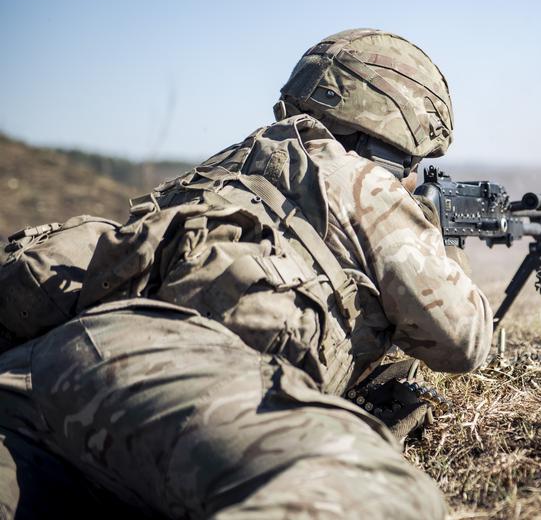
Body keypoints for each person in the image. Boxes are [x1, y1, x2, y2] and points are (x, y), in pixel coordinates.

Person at [0, 29, 493, 519]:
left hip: (46, 364)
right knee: (383, 492)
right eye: (414, 164)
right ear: (393, 133)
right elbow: (462, 341)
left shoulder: (227, 165)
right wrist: (441, 240)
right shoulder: (360, 180)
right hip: (166, 374)